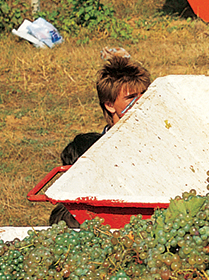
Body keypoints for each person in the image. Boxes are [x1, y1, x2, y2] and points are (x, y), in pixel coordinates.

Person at [53, 49, 152, 227]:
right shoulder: (91, 152)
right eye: (131, 97)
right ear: (110, 105)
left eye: (144, 94)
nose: (141, 102)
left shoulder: (158, 143)